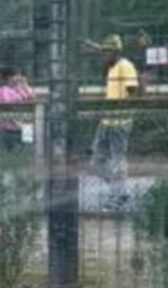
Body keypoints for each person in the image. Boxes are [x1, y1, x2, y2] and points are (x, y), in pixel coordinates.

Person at [85, 34, 140, 211]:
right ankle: (120, 190)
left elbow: (133, 91)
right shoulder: (112, 67)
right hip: (106, 121)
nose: (103, 56)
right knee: (96, 163)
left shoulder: (126, 66)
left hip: (120, 121)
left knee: (117, 159)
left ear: (114, 52)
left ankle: (118, 196)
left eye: (106, 52)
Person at [0, 66, 36, 152]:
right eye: (14, 77)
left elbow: (32, 97)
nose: (17, 79)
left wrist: (25, 85)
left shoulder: (19, 88)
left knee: (28, 125)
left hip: (23, 119)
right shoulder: (4, 90)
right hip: (10, 120)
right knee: (25, 124)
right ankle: (14, 150)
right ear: (8, 78)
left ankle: (28, 151)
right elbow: (8, 104)